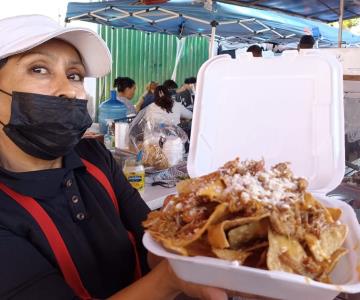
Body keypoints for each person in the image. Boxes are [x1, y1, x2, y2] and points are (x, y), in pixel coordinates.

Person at [0, 14, 227, 300]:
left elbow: (150, 242)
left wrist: (184, 233)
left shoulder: (95, 158)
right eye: (38, 69)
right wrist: (171, 279)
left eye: (74, 75)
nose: (68, 90)